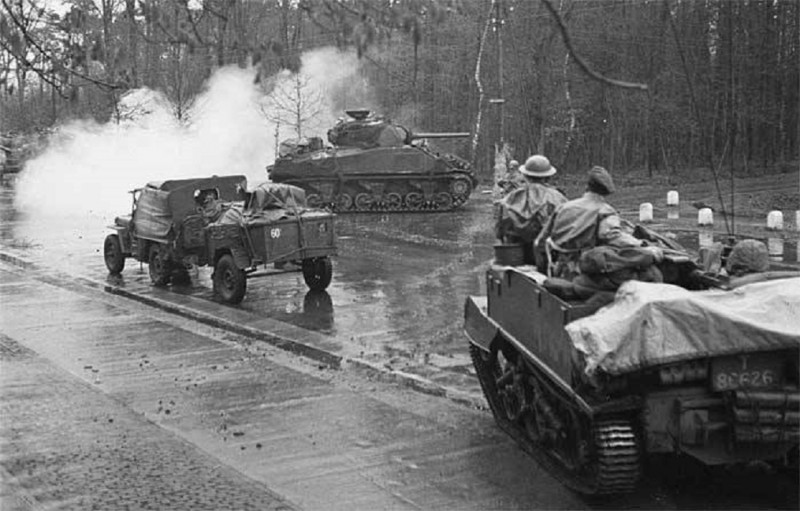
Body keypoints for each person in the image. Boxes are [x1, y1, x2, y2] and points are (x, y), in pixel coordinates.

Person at [536, 165, 661, 279]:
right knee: (650, 274)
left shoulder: (564, 207)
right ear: (606, 192)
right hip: (588, 271)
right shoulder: (605, 210)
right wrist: (642, 245)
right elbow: (612, 236)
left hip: (559, 270)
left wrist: (544, 270)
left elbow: (540, 242)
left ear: (587, 187)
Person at [495, 155, 568, 264]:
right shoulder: (559, 198)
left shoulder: (511, 198)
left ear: (525, 175)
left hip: (516, 255)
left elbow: (500, 231)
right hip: (549, 256)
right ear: (548, 176)